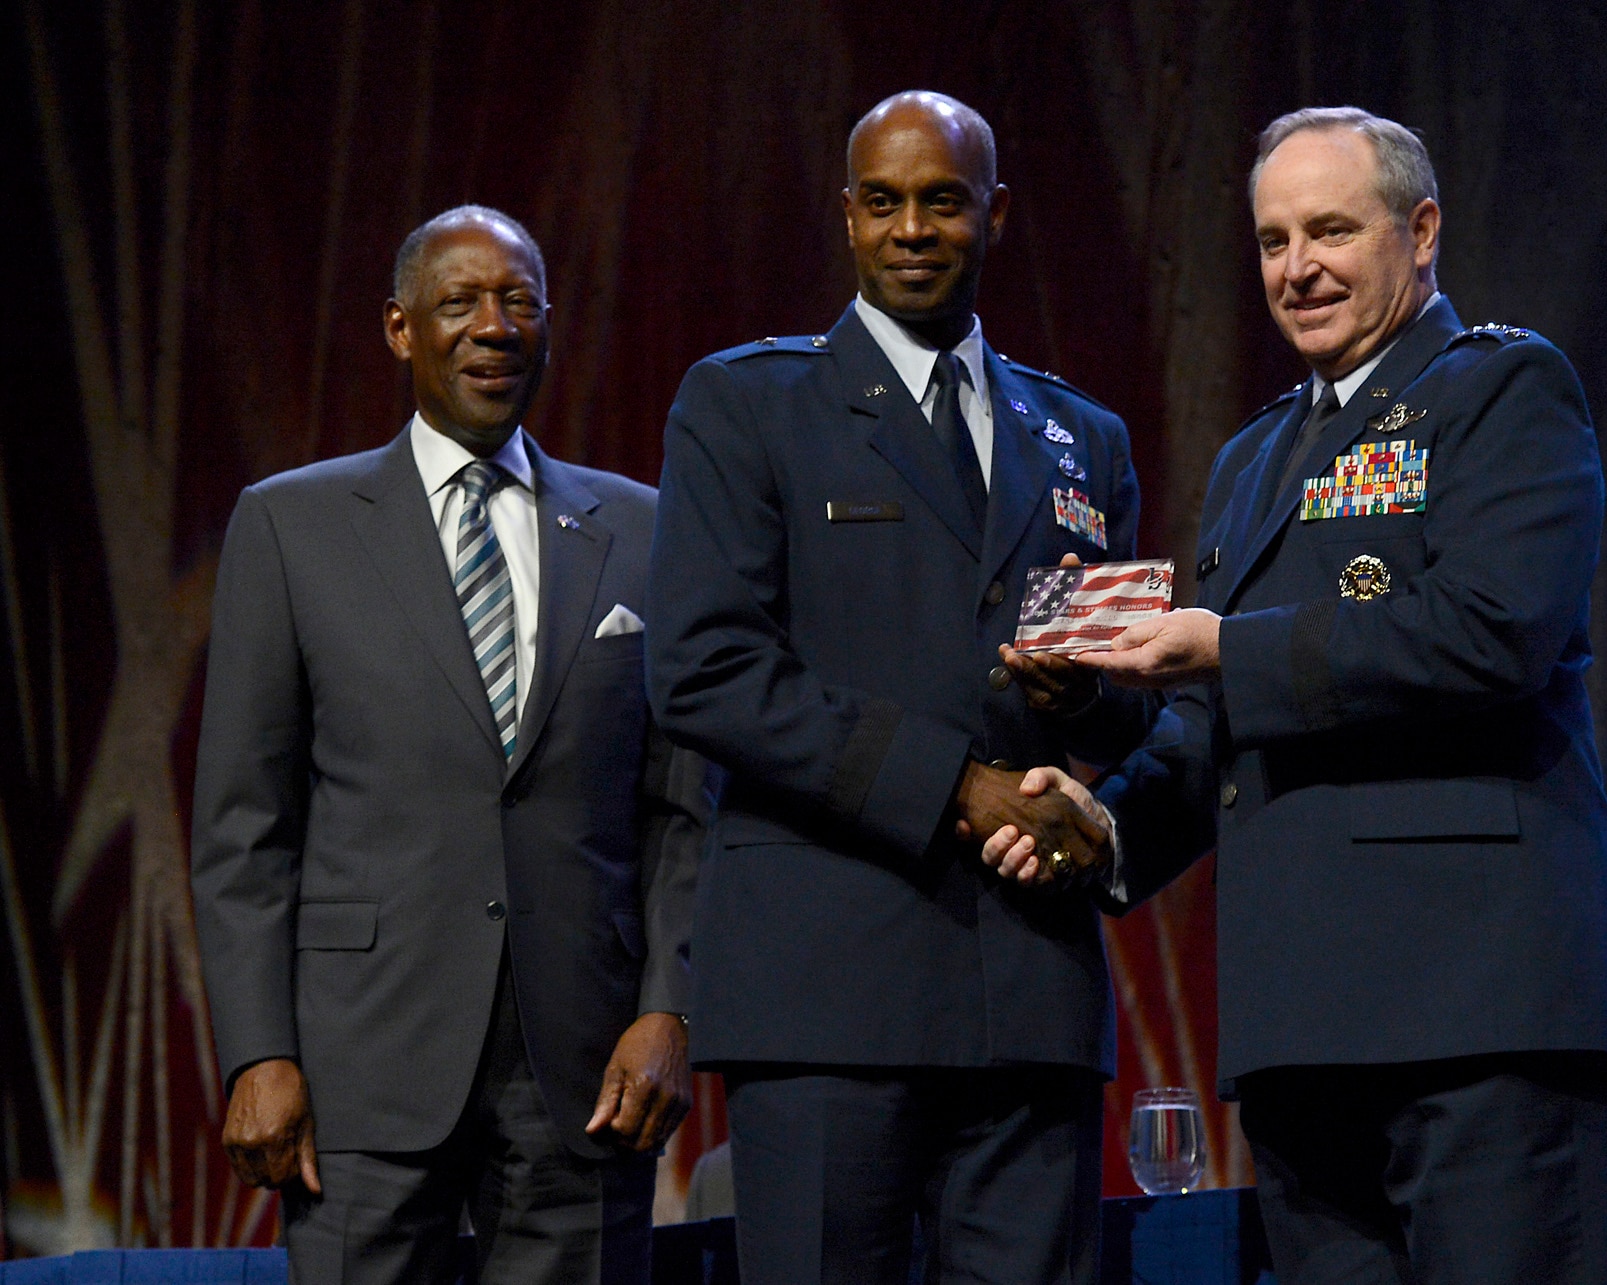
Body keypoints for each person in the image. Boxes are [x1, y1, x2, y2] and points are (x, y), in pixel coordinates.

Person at [982, 107, 1607, 1283]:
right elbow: (1218, 718)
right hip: (1301, 1028)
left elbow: (1490, 635)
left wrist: (1219, 651)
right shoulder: (1254, 457)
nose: (1297, 269)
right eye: (1272, 239)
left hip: (1479, 1010)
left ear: (1422, 229)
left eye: (1331, 230)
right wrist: (1106, 826)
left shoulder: (1502, 388)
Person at [644, 90, 1150, 1283]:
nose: (912, 228)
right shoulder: (745, 403)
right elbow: (705, 671)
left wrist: (1080, 701)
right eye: (884, 203)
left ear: (996, 215)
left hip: (1028, 985)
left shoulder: (1083, 435)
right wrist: (955, 789)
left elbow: (1133, 703)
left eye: (942, 202)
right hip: (827, 991)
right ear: (848, 217)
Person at [191, 206, 702, 1284]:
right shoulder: (291, 525)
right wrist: (258, 1050)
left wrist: (670, 1007)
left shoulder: (644, 529)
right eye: (459, 301)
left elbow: (682, 811)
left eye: (518, 301)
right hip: (357, 1068)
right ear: (398, 328)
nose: (492, 325)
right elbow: (245, 826)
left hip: (584, 1067)